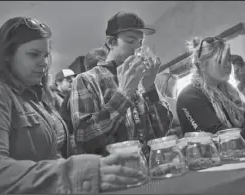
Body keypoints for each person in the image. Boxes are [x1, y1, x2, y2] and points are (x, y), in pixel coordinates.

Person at [0, 16, 147, 194]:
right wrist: (75, 173)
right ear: (8, 55)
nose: (44, 63)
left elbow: (54, 155)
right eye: (33, 54)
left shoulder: (39, 97)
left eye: (46, 55)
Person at [70, 12, 173, 158]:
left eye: (141, 42)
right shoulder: (86, 79)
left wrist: (150, 87)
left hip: (149, 166)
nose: (137, 48)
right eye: (131, 41)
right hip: (114, 173)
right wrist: (123, 94)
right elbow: (85, 137)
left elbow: (163, 130)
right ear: (111, 42)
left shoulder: (141, 77)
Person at [176, 37, 245, 135]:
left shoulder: (229, 92)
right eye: (221, 60)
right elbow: (221, 136)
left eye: (229, 60)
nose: (228, 65)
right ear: (202, 65)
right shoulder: (189, 96)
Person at [59, 47, 108, 153]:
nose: (72, 82)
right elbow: (83, 132)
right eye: (68, 80)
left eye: (73, 78)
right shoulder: (81, 87)